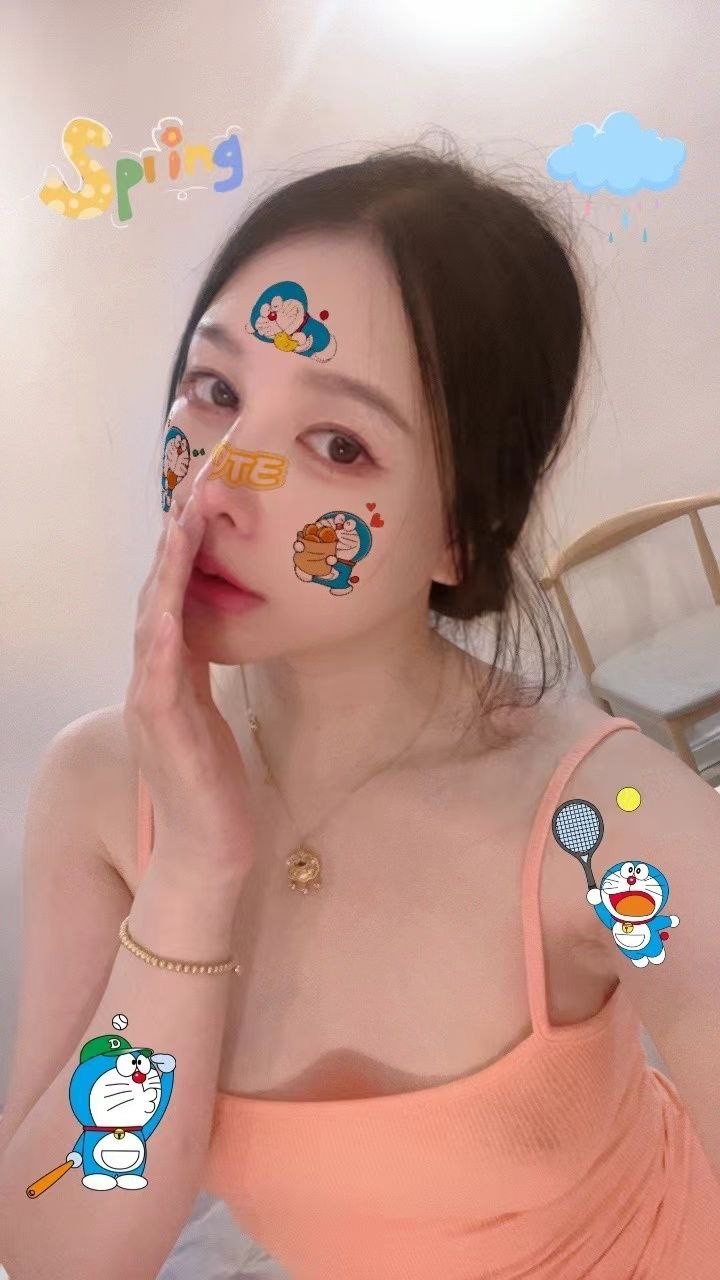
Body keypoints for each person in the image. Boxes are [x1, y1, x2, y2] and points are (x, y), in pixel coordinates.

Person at [1, 144, 719, 1280]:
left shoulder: (606, 827)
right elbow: (54, 1244)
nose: (220, 487)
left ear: (458, 535)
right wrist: (190, 877)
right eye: (216, 390)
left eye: (338, 444)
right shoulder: (101, 791)